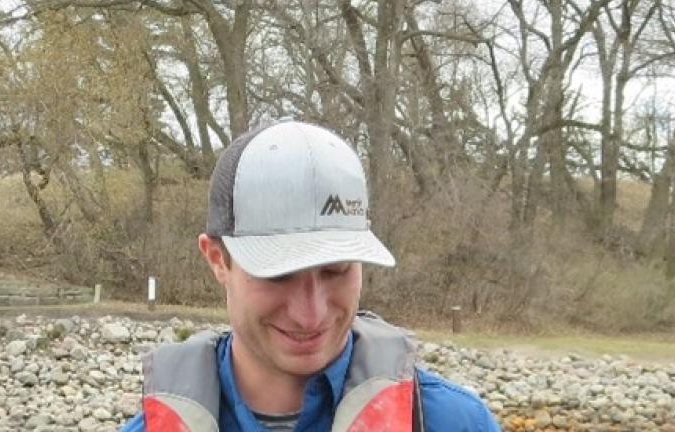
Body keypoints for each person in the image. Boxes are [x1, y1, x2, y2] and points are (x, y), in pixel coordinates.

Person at [121, 120, 499, 431]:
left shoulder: (455, 422)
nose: (311, 314)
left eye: (336, 270)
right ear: (218, 260)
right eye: (278, 275)